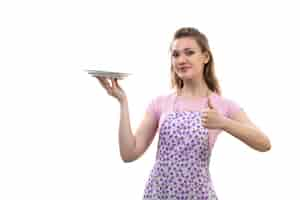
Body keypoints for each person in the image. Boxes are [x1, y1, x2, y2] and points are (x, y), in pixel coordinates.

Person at [96, 27, 271, 200]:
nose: (181, 60)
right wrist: (123, 102)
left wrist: (224, 123)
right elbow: (129, 154)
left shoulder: (222, 105)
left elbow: (264, 143)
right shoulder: (160, 103)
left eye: (189, 53)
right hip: (158, 195)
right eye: (176, 54)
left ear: (205, 57)